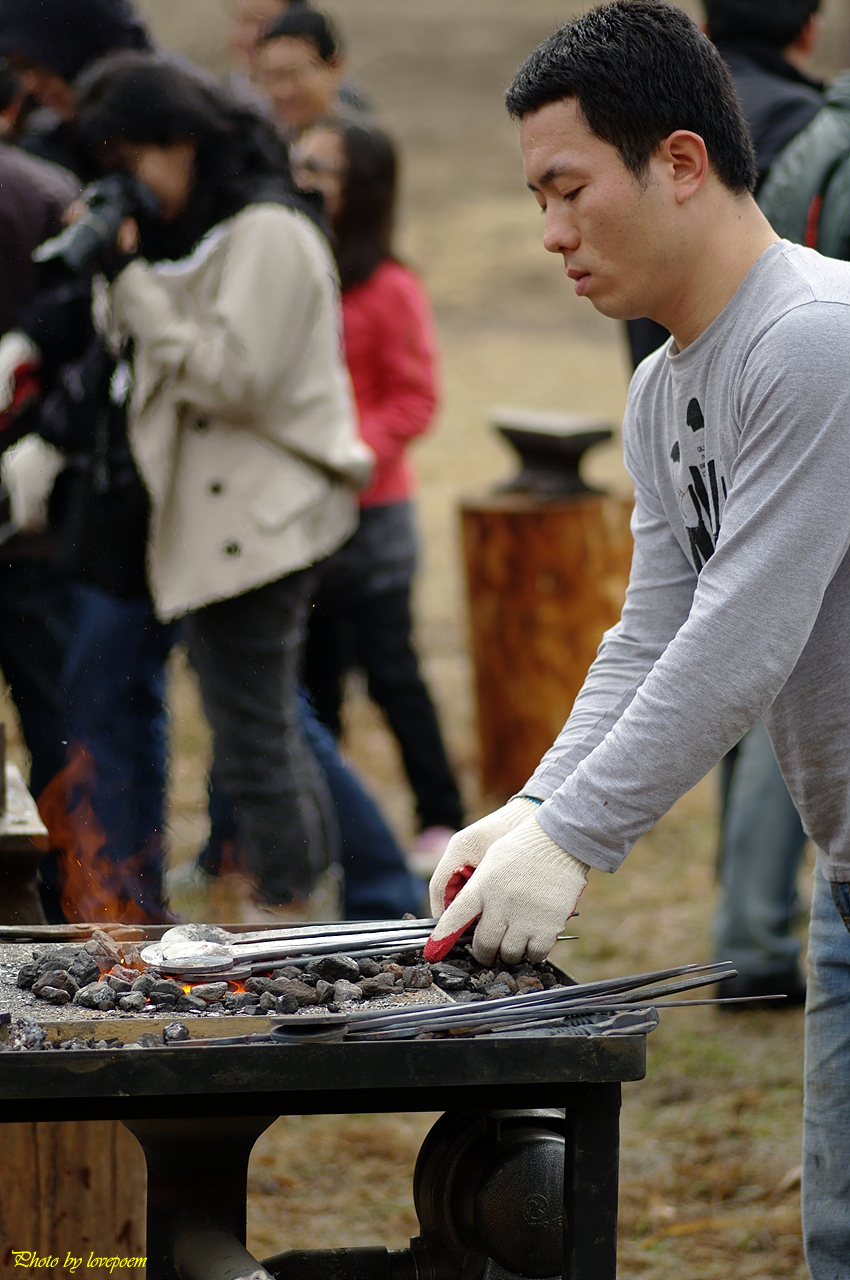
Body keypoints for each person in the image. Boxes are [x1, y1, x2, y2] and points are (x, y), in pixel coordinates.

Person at [423, 5, 850, 1275]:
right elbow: (653, 626)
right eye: (535, 199)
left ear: (677, 160)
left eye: (567, 189)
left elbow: (746, 630)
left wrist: (580, 838)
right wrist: (535, 804)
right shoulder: (664, 387)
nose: (550, 233)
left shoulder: (815, 338)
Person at [73, 53, 371, 913]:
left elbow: (234, 375)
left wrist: (130, 283)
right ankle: (308, 909)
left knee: (256, 743)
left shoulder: (270, 231)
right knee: (263, 733)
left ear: (181, 141)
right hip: (223, 525)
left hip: (259, 529)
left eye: (131, 159)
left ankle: (291, 915)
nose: (125, 183)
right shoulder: (214, 231)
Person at [292, 118, 465, 872]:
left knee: (393, 673)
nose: (303, 178)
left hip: (373, 516)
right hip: (301, 520)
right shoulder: (292, 270)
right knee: (314, 678)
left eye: (321, 169)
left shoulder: (390, 285)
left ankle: (442, 818)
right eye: (298, 162)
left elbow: (416, 397)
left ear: (359, 190)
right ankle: (329, 828)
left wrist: (350, 451)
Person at [252, 7, 348, 140]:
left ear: (333, 67)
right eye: (272, 77)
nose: (283, 91)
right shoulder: (258, 144)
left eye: (293, 74)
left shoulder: (359, 146)